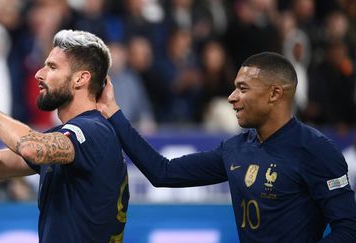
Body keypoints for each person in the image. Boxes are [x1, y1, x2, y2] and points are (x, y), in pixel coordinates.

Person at [98, 52, 356, 242]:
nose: (232, 97)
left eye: (242, 89)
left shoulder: (316, 151)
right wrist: (112, 112)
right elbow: (162, 172)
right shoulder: (234, 149)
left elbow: (348, 227)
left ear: (275, 94)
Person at [0, 29, 129, 243]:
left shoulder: (94, 131)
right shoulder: (68, 136)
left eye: (52, 67)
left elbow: (31, 148)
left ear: (81, 79)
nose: (39, 74)